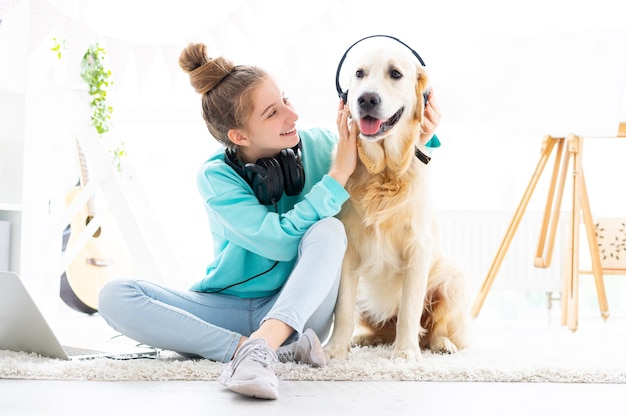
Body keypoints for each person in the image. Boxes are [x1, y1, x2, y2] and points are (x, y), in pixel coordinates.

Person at [98, 42, 441, 400]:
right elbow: (276, 240)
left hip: (300, 310)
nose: (292, 116)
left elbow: (389, 156)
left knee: (329, 230)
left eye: (287, 101)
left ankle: (256, 346)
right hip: (228, 307)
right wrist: (336, 177)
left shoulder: (324, 145)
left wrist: (430, 133)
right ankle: (257, 349)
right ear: (239, 136)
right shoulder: (215, 177)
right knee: (114, 295)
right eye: (272, 113)